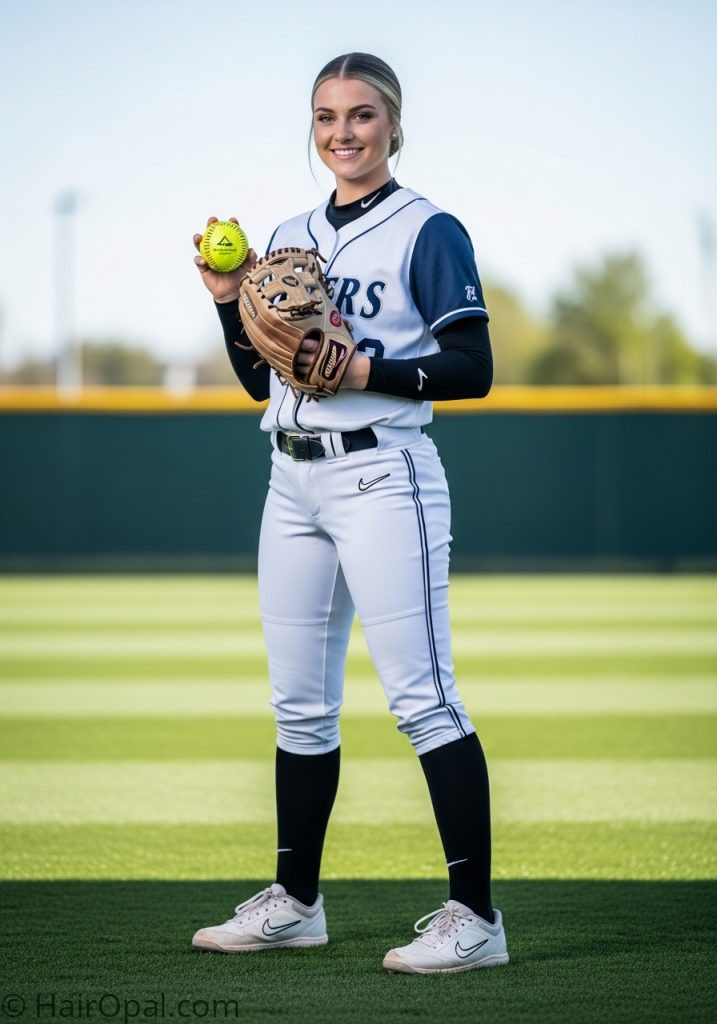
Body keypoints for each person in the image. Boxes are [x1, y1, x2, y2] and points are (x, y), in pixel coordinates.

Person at [191, 52, 508, 975]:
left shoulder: (426, 228)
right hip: (290, 478)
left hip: (382, 474)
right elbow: (258, 376)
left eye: (362, 115)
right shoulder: (287, 233)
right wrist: (228, 302)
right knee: (298, 705)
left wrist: (367, 369)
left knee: (423, 699)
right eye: (327, 116)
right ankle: (295, 903)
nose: (343, 132)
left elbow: (473, 368)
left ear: (393, 126)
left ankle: (475, 920)